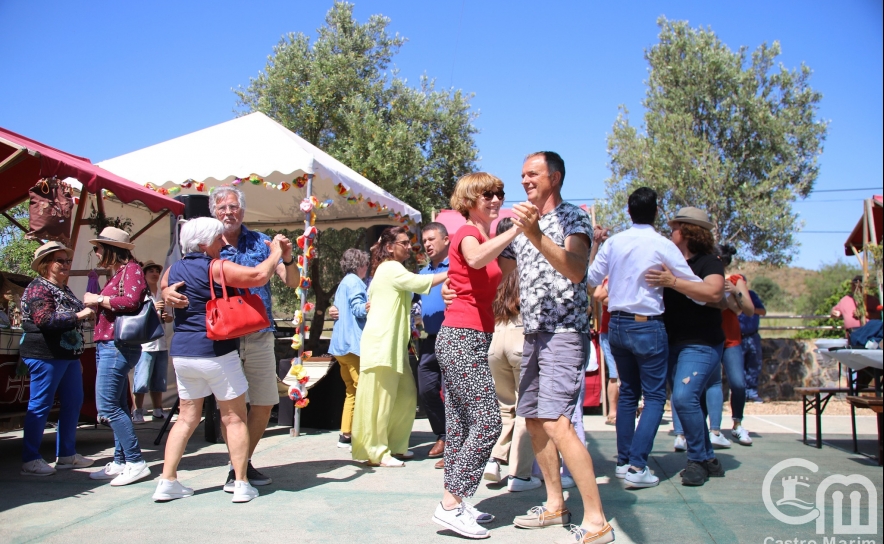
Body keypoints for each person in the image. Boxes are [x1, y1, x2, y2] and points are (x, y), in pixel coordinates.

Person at [503, 152, 613, 544]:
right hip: (533, 333)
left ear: (556, 176)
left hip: (564, 333)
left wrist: (533, 233)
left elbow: (576, 269)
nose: (525, 180)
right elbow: (501, 268)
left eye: (532, 174)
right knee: (533, 419)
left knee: (557, 422)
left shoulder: (573, 217)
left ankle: (597, 521)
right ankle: (554, 506)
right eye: (521, 175)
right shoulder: (523, 221)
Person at [163, 186, 298, 491]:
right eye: (222, 207)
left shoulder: (261, 242)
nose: (228, 212)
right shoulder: (204, 243)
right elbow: (167, 280)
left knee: (264, 403)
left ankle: (239, 465)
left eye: (234, 206)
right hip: (221, 339)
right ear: (214, 211)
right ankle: (238, 475)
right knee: (231, 412)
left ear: (243, 210)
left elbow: (292, 282)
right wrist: (166, 293)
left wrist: (286, 258)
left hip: (258, 333)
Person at [587, 189, 711, 491]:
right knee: (654, 396)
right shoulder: (662, 245)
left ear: (629, 211)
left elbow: (590, 279)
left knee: (628, 393)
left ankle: (623, 461)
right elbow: (694, 287)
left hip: (616, 323)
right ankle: (637, 465)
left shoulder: (615, 243)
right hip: (647, 325)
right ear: (656, 211)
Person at [431, 173, 518, 539]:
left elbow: (471, 273)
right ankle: (451, 503)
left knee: (462, 426)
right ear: (469, 199)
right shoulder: (469, 233)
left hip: (467, 335)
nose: (496, 199)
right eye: (488, 194)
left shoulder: (483, 235)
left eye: (500, 193)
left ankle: (455, 503)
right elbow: (476, 259)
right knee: (488, 422)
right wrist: (516, 230)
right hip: (462, 336)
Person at [646, 207, 727, 486]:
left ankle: (696, 461)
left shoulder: (709, 262)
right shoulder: (669, 262)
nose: (671, 231)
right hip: (670, 343)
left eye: (675, 226)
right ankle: (708, 458)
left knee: (682, 398)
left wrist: (673, 282)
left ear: (689, 231)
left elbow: (715, 292)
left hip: (702, 343)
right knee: (686, 400)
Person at [352, 227, 446, 467]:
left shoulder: (389, 270)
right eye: (404, 243)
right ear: (390, 246)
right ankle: (377, 452)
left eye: (409, 243)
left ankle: (395, 445)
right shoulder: (391, 268)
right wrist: (452, 272)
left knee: (405, 395)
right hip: (382, 343)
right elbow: (418, 282)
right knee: (380, 399)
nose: (409, 247)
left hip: (393, 345)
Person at [19, 242, 95, 476]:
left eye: (67, 260)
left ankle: (66, 455)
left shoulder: (63, 289)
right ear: (45, 264)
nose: (65, 264)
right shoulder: (37, 288)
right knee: (40, 405)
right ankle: (30, 459)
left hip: (67, 356)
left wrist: (77, 355)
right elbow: (45, 320)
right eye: (59, 261)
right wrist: (80, 314)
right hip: (45, 355)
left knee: (73, 402)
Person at [83, 227, 151, 486]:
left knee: (108, 406)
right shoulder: (124, 272)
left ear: (111, 249)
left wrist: (98, 298)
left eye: (98, 247)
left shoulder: (131, 270)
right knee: (118, 405)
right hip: (110, 344)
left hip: (117, 345)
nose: (96, 252)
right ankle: (121, 461)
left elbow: (131, 301)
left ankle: (135, 461)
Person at [673, 245, 755, 450]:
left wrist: (734, 292)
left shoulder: (736, 280)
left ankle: (736, 423)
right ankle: (701, 432)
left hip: (730, 339)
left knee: (738, 383)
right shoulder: (699, 275)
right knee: (700, 387)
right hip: (706, 338)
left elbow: (746, 310)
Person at [484, 218, 540, 493]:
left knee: (505, 406)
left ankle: (494, 460)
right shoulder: (527, 259)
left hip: (496, 335)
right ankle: (519, 474)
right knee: (526, 407)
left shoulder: (489, 261)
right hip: (521, 333)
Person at [416, 222, 450, 468]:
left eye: (431, 239)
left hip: (454, 337)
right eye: (424, 240)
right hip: (429, 341)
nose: (427, 244)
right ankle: (443, 434)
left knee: (455, 393)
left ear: (446, 240)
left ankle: (455, 444)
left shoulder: (458, 267)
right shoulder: (421, 274)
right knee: (426, 389)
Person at [329, 249, 370, 449]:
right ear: (360, 264)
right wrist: (372, 306)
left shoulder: (343, 282)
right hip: (352, 345)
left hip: (339, 346)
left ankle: (346, 434)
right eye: (366, 265)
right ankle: (363, 435)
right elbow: (357, 308)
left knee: (351, 391)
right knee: (363, 390)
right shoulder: (355, 282)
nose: (367, 269)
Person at [132, 260, 174, 424]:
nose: (155, 274)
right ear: (144, 274)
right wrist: (152, 309)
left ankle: (158, 410)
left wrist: (168, 317)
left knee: (159, 380)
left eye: (157, 271)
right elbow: (136, 317)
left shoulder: (163, 293)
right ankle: (138, 411)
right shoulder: (141, 294)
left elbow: (169, 317)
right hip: (145, 344)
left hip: (161, 343)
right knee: (141, 380)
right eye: (151, 271)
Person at [592, 279, 618, 426]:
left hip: (630, 328)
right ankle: (612, 411)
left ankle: (631, 408)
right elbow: (599, 296)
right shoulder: (606, 277)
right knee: (614, 374)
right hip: (608, 330)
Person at [739, 279, 767, 403]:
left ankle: (752, 392)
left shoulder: (752, 295)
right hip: (737, 337)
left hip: (753, 336)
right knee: (738, 366)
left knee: (754, 365)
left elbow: (762, 311)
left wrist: (748, 308)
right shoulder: (731, 296)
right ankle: (740, 393)